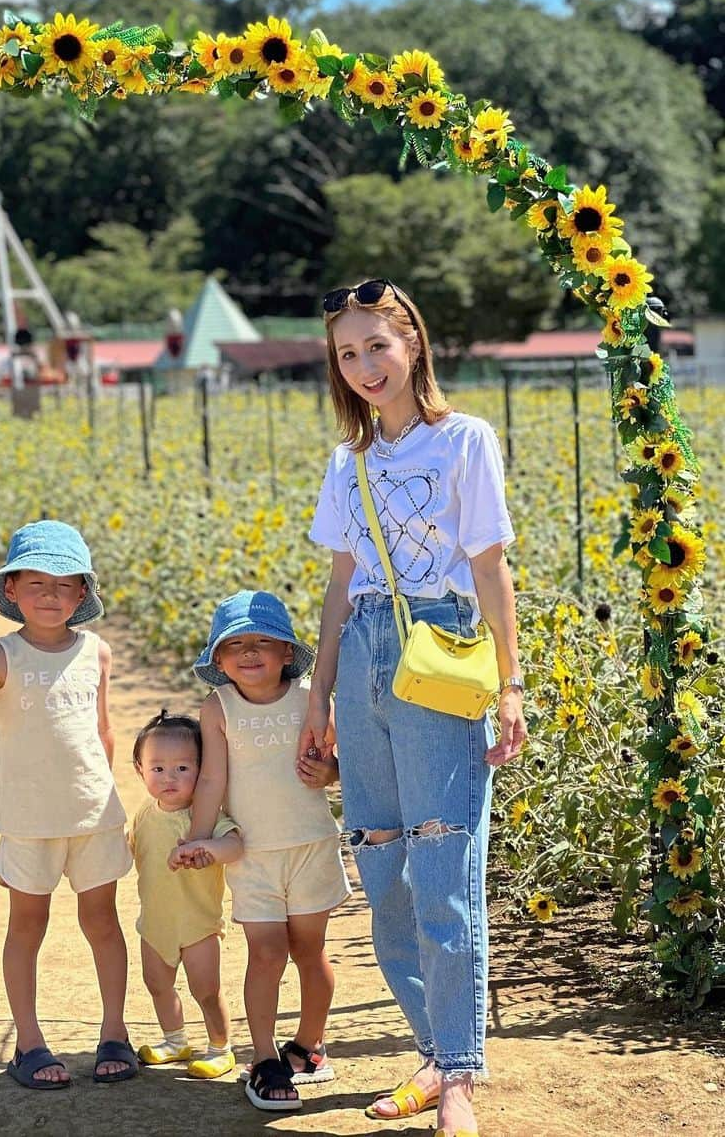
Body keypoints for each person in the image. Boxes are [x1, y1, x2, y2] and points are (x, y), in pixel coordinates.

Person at [302, 279, 527, 1137]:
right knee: (384, 872)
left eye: (377, 346)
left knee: (445, 870)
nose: (364, 365)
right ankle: (434, 1052)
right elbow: (339, 587)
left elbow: (489, 566)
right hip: (360, 657)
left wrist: (511, 684)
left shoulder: (464, 440)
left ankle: (461, 1076)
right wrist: (318, 698)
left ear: (414, 345)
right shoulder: (345, 459)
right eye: (347, 352)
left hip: (439, 651)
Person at [0, 519, 137, 1090]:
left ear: (82, 594)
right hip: (28, 821)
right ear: (12, 591)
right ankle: (28, 1042)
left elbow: (103, 732)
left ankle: (114, 1031)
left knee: (103, 922)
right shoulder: (0, 656)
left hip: (95, 816)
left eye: (65, 583)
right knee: (28, 925)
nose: (51, 595)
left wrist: (109, 798)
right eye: (37, 583)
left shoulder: (97, 651)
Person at [181, 590, 350, 1113]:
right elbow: (212, 778)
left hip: (310, 846)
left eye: (262, 642)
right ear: (218, 660)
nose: (249, 654)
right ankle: (263, 1057)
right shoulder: (218, 707)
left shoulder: (312, 700)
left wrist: (332, 773)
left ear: (286, 653)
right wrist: (199, 840)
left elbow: (344, 764)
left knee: (308, 949)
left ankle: (308, 1046)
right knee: (266, 952)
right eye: (235, 646)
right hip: (250, 854)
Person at [130, 709, 242, 1079]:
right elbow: (133, 852)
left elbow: (235, 845)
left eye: (182, 768)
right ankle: (175, 1039)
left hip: (198, 923)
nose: (169, 778)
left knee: (206, 989)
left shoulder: (205, 818)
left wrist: (208, 847)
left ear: (203, 769)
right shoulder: (145, 815)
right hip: (156, 922)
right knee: (157, 983)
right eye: (157, 768)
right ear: (140, 770)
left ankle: (220, 1047)